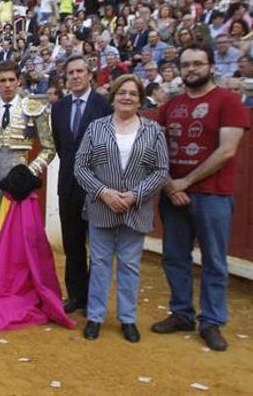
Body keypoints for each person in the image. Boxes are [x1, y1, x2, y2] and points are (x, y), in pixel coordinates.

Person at [153, 45, 250, 352]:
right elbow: (157, 151)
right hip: (174, 194)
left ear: (211, 65)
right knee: (174, 257)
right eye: (186, 64)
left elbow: (227, 151)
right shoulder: (170, 106)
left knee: (214, 262)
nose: (191, 69)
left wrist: (185, 182)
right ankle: (182, 313)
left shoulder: (228, 101)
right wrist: (170, 185)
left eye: (197, 63)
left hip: (213, 195)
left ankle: (211, 321)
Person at [74, 75, 169, 343]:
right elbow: (81, 167)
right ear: (113, 97)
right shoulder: (95, 128)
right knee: (101, 263)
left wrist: (134, 196)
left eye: (133, 94)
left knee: (130, 265)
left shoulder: (153, 130)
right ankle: (95, 316)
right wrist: (104, 193)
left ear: (140, 100)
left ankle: (128, 319)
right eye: (122, 92)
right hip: (101, 206)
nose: (127, 97)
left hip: (135, 208)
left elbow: (161, 171)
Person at [50, 55, 112, 314]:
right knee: (72, 244)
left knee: (98, 247)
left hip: (98, 186)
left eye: (80, 71)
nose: (75, 76)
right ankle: (76, 296)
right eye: (70, 73)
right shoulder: (59, 107)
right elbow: (61, 146)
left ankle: (95, 300)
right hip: (68, 184)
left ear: (90, 76)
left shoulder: (104, 105)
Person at [0, 60, 55, 220]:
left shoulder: (32, 109)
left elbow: (49, 148)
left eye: (11, 80)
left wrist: (29, 172)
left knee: (20, 228)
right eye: (3, 80)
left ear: (18, 81)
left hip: (21, 177)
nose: (7, 85)